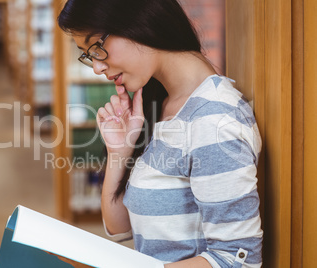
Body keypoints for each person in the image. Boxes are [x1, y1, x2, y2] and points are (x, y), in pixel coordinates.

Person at [58, 0, 263, 267]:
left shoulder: (214, 119)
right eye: (87, 55)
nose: (97, 67)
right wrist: (119, 152)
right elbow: (119, 226)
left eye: (96, 47)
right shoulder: (159, 102)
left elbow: (238, 259)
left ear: (139, 20)